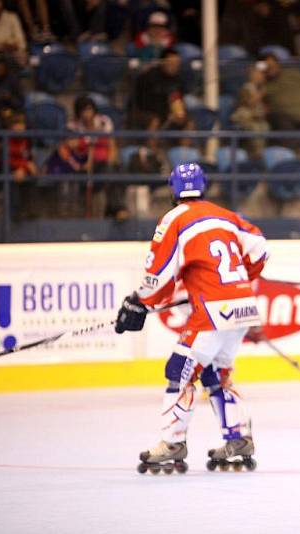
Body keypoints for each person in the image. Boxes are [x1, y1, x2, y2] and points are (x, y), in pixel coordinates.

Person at [115, 163, 268, 474]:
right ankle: (238, 438)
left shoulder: (173, 219)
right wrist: (233, 283)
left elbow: (158, 274)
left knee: (179, 371)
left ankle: (172, 443)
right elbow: (260, 250)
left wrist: (138, 301)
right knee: (216, 374)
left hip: (213, 311)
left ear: (172, 188)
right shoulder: (226, 215)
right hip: (241, 306)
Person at [128, 48, 184, 128]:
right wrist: (167, 113)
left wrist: (179, 114)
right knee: (155, 120)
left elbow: (178, 100)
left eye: (177, 63)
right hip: (140, 112)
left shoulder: (178, 80)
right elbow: (143, 103)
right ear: (162, 62)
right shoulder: (149, 77)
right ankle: (152, 140)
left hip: (167, 113)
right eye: (171, 63)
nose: (175, 66)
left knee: (188, 122)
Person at [231, 85, 270, 159]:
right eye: (252, 98)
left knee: (264, 125)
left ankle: (261, 151)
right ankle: (256, 152)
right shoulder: (241, 109)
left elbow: (261, 115)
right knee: (254, 127)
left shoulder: (257, 107)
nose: (254, 100)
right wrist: (250, 117)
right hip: (245, 127)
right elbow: (234, 119)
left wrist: (261, 114)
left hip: (257, 125)